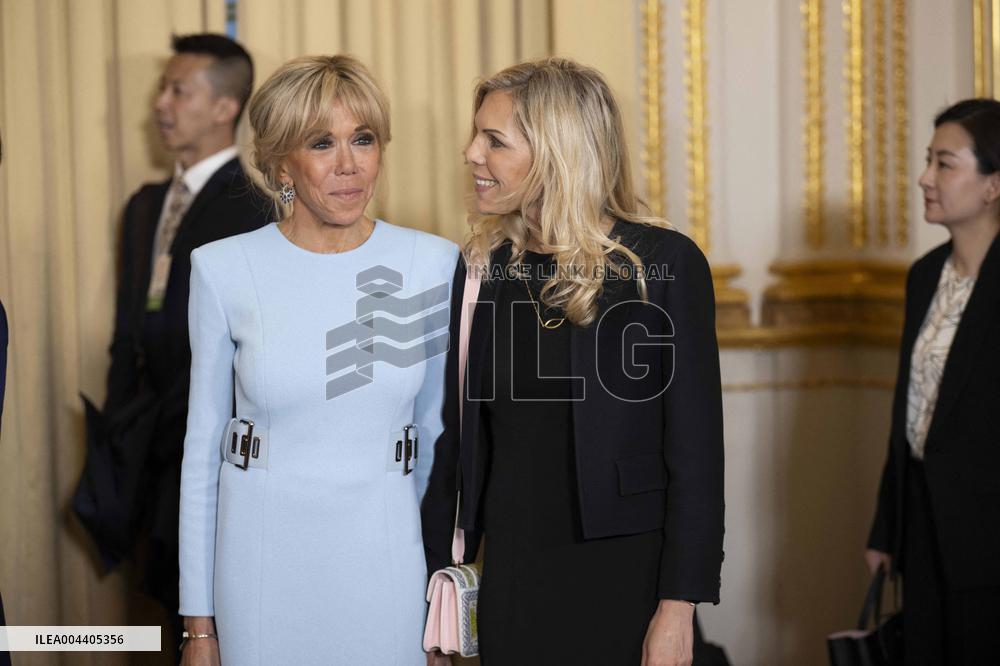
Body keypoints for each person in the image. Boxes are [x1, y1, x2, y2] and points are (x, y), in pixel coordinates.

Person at [421, 58, 725, 666]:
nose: (470, 153)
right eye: (476, 134)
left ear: (556, 151)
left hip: (625, 572)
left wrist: (677, 606)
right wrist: (436, 585)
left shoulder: (659, 265)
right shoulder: (481, 269)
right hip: (512, 567)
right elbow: (458, 440)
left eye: (494, 140)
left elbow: (696, 454)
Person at [178, 54, 458, 665]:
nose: (349, 164)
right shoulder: (223, 269)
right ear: (282, 163)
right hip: (259, 564)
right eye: (321, 143)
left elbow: (440, 445)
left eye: (363, 139)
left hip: (389, 562)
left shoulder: (432, 264)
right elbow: (202, 455)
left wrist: (444, 606)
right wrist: (198, 629)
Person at [72, 32, 271, 646]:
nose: (160, 104)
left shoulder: (258, 200)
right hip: (143, 445)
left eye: (178, 90)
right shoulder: (144, 205)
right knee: (160, 616)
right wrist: (116, 432)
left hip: (210, 445)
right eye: (162, 89)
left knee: (216, 619)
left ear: (224, 107)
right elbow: (127, 328)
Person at [866, 98, 1000, 664]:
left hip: (990, 539)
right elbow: (911, 413)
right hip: (922, 528)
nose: (925, 177)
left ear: (993, 185)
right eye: (928, 160)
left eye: (944, 164)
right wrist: (885, 529)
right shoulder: (924, 277)